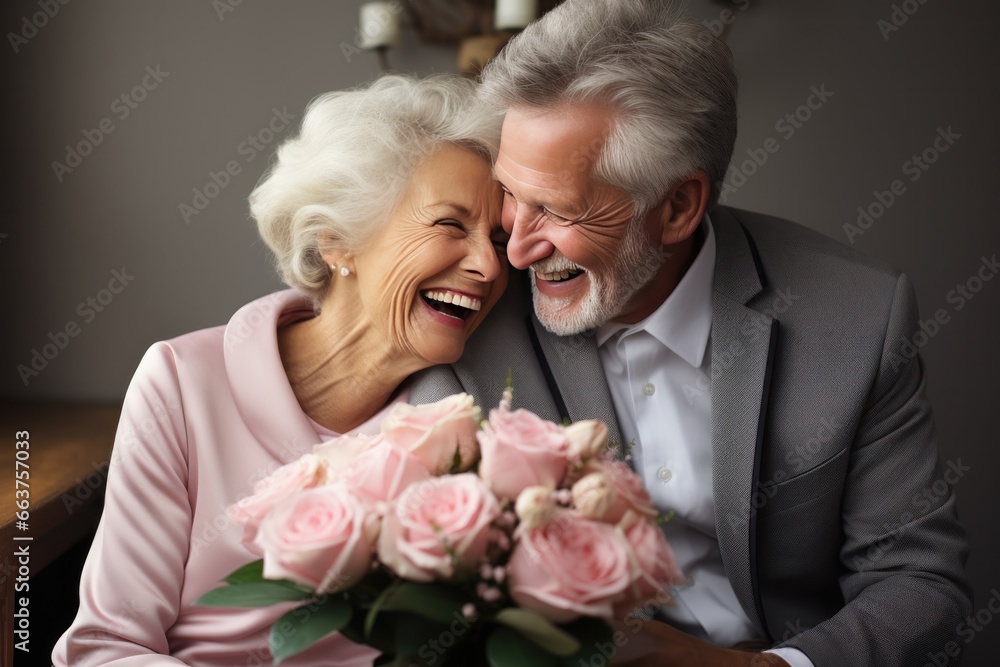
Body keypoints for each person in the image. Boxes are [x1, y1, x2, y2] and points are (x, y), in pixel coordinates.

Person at [412, 1, 973, 665]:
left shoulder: (858, 315)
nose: (517, 247)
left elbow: (921, 584)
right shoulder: (468, 312)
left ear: (678, 206)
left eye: (558, 210)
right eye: (511, 194)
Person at [52, 74, 508, 666]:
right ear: (337, 239)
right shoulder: (183, 382)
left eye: (498, 239)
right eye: (451, 224)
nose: (489, 266)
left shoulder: (468, 428)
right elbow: (105, 648)